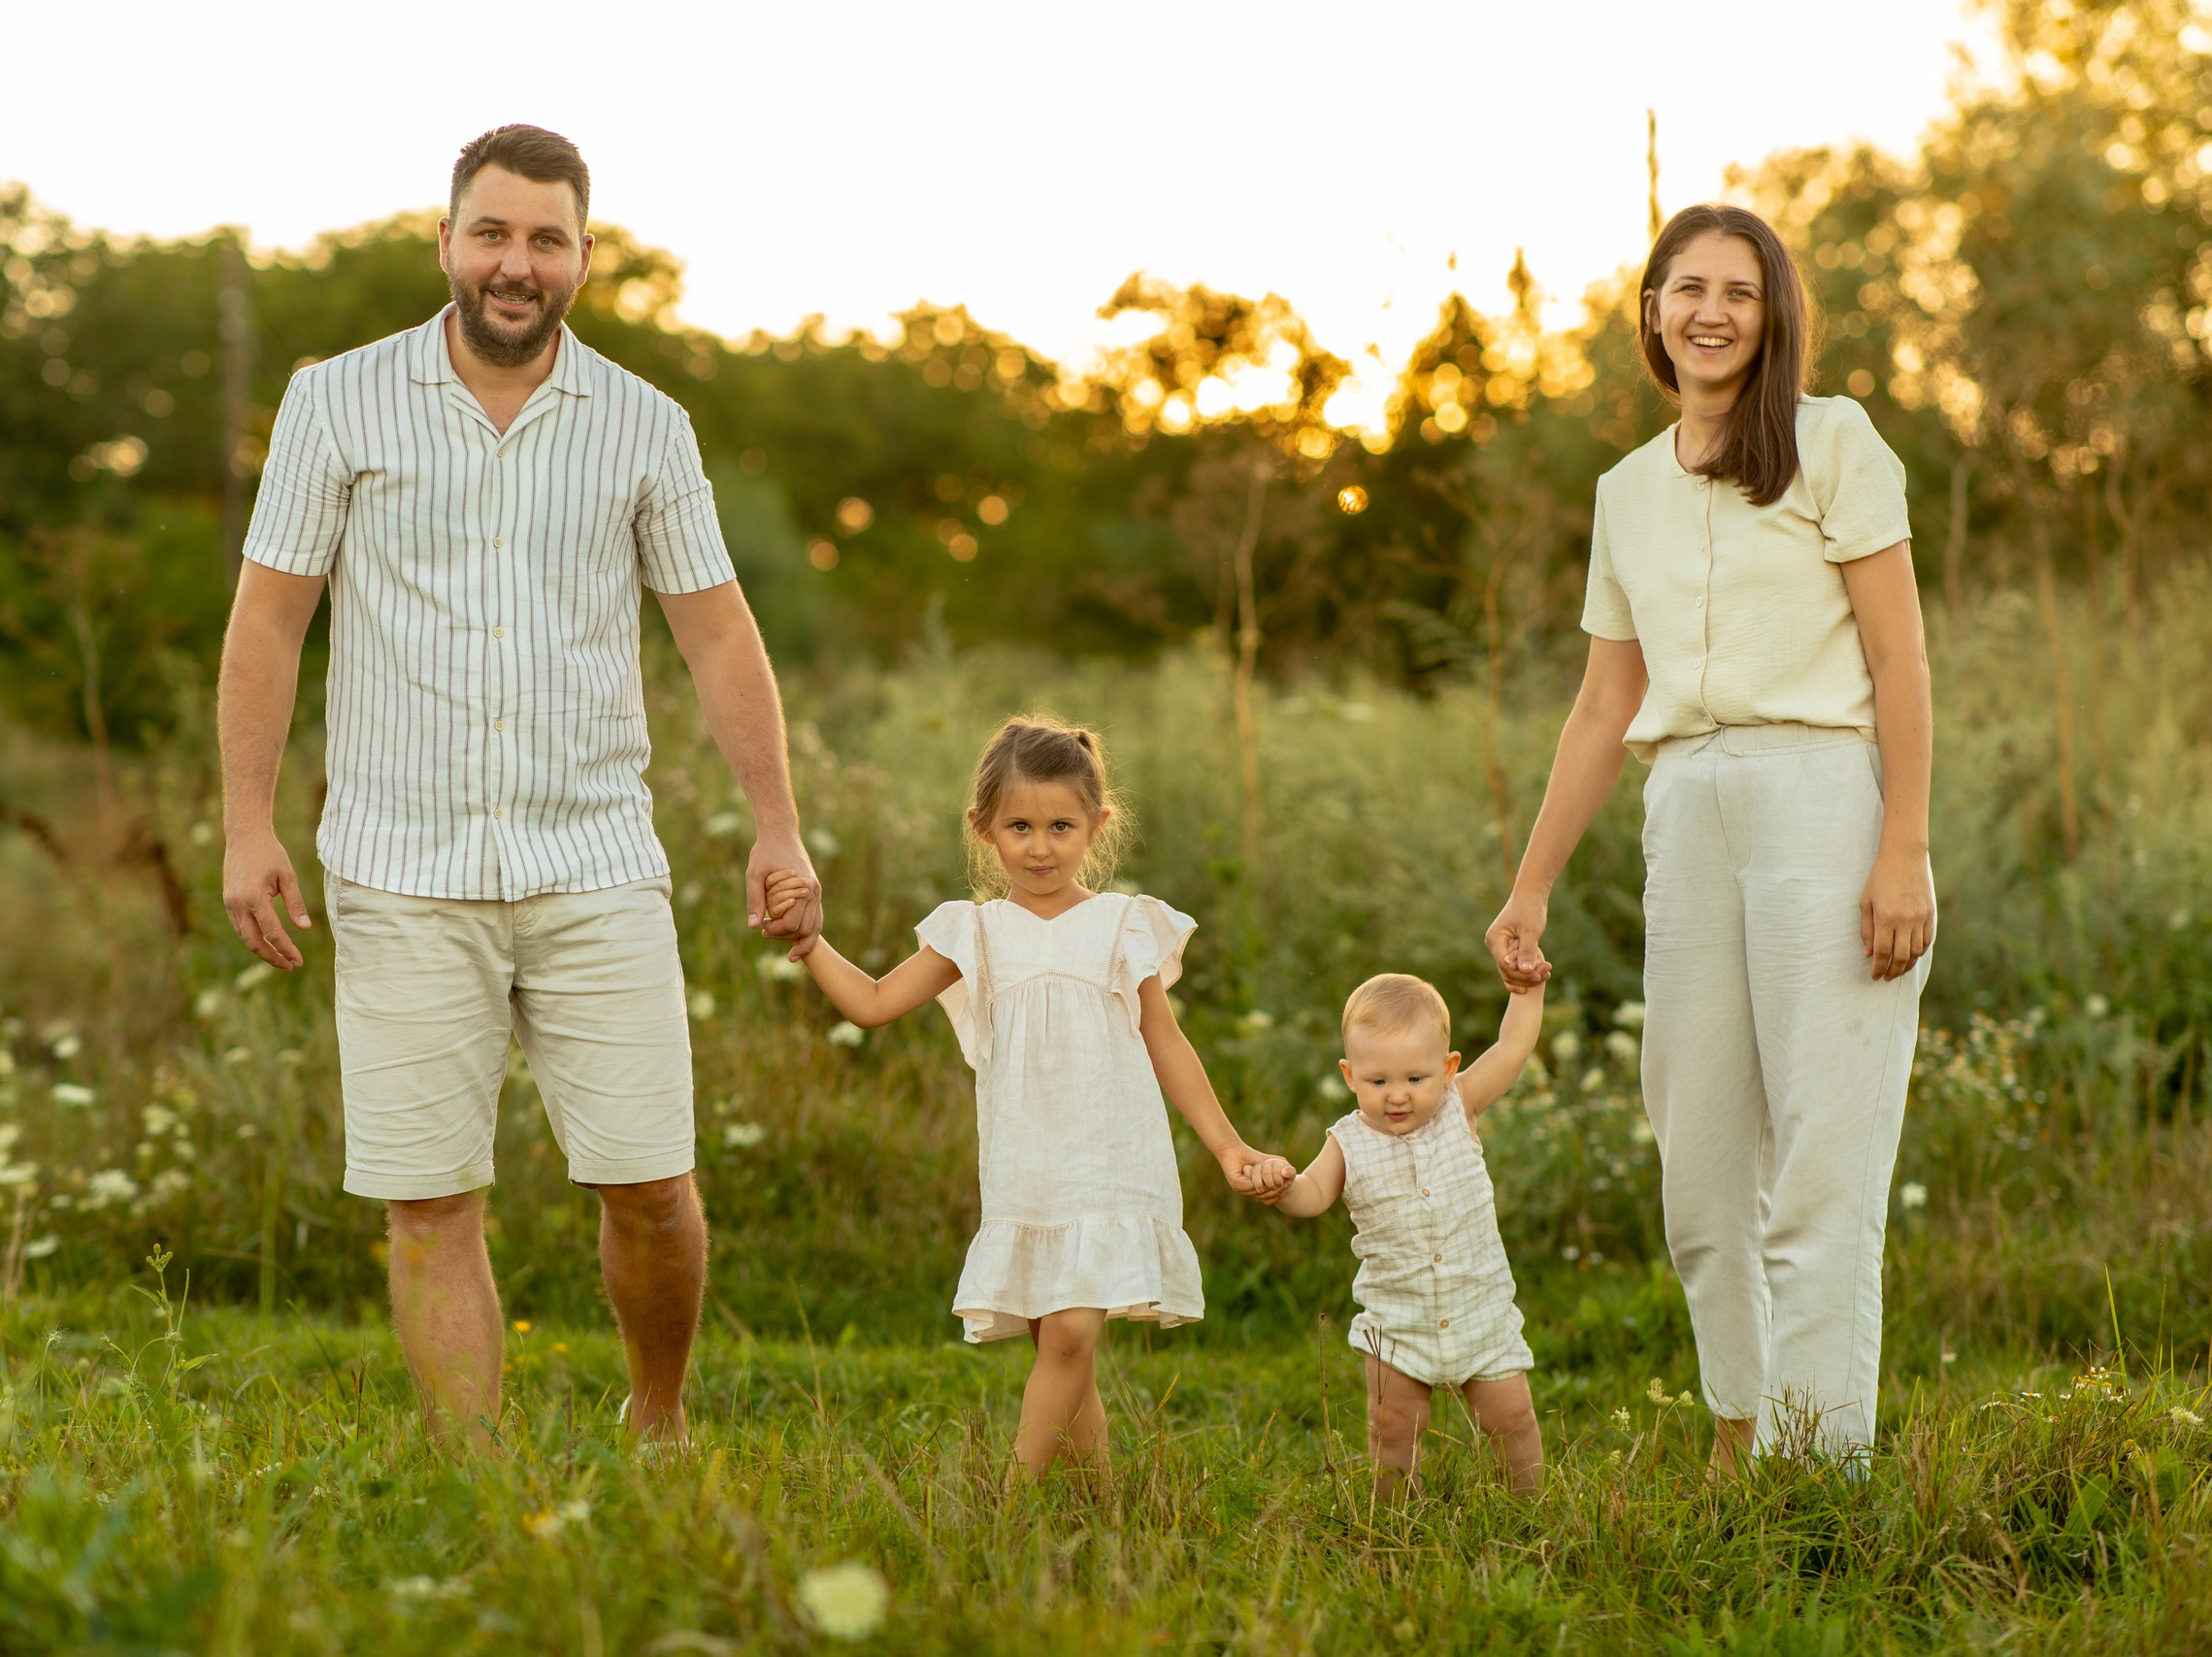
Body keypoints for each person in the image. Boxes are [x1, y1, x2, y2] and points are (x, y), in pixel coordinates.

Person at [217, 124, 821, 1453]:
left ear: (584, 260)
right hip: (399, 861)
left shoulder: (647, 426)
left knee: (652, 1183)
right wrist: (247, 823)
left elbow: (717, 631)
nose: (515, 262)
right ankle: (473, 1477)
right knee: (430, 1198)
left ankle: (656, 1416)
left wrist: (777, 819)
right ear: (445, 241)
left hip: (593, 858)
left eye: (545, 238)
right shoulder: (337, 402)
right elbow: (269, 620)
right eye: (491, 232)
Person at [1486, 204, 1935, 1469]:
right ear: (1652, 311)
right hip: (1683, 803)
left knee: (1823, 1159)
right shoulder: (1624, 490)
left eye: (1741, 289)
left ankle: (1820, 1468)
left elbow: (1899, 652)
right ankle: (1743, 1434)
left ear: (1774, 310)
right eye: (1688, 287)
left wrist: (1901, 844)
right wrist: (1529, 889)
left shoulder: (1834, 441)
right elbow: (1600, 703)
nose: (1713, 311)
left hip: (1823, 794)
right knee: (1698, 1159)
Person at [760, 716, 1292, 1479]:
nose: (1040, 846)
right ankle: (1099, 1502)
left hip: (1110, 1157)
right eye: (1019, 825)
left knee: (1074, 1333)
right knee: (1058, 1344)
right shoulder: (974, 932)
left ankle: (1012, 1502)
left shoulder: (1121, 925)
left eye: (1060, 826)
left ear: (1097, 826)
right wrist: (810, 945)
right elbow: (874, 1001)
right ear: (983, 828)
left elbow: (1167, 1043)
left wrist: (1229, 1146)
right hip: (1027, 1166)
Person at [1271, 972, 1548, 1499]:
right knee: (1393, 1428)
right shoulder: (1347, 1141)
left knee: (1512, 1420)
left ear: (1447, 1070)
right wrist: (1282, 1185)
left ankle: (1531, 1510)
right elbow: (1311, 1196)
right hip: (1397, 1320)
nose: (1397, 1096)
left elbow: (1512, 1047)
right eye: (1378, 1082)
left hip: (1480, 1309)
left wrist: (1527, 991)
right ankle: (1397, 1518)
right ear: (1351, 1076)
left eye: (1416, 1079)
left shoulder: (1459, 1104)